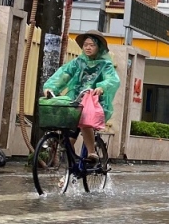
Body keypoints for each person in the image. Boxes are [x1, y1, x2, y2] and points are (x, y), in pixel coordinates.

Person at [43, 30, 120, 162]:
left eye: (92, 45)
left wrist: (101, 87)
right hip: (77, 100)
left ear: (99, 47)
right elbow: (64, 74)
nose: (88, 48)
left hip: (94, 102)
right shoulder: (78, 62)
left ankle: (91, 152)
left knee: (85, 120)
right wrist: (50, 87)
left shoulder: (105, 64)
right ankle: (70, 172)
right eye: (85, 45)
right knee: (68, 139)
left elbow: (112, 79)